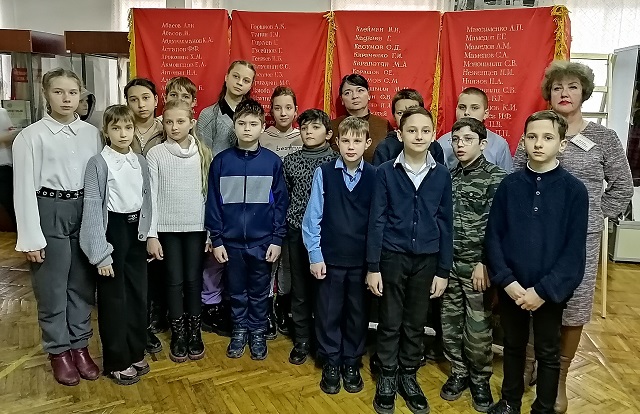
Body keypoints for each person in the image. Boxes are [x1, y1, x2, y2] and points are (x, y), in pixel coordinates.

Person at [512, 61, 633, 413]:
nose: (564, 93)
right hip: (535, 237)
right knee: (531, 298)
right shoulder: (536, 131)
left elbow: (622, 186)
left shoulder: (603, 138)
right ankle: (529, 365)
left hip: (580, 241)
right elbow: (516, 180)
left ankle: (560, 378)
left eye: (572, 87)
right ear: (548, 94)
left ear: (584, 93)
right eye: (557, 87)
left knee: (574, 306)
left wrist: (594, 217)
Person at [485, 110, 589, 414]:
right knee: (513, 345)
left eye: (547, 137)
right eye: (532, 137)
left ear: (562, 144)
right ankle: (510, 401)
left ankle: (543, 407)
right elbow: (494, 237)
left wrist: (544, 291)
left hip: (549, 291)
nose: (539, 143)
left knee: (547, 350)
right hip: (513, 287)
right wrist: (507, 281)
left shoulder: (574, 191)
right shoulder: (510, 185)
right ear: (523, 141)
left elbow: (573, 252)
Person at [13, 68, 102, 386]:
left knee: (81, 285)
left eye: (73, 92)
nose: (66, 99)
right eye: (58, 92)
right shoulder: (30, 136)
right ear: (45, 94)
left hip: (85, 208)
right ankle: (59, 351)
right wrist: (30, 237)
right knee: (52, 287)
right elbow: (23, 189)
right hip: (48, 209)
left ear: (81, 96)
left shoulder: (92, 134)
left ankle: (80, 345)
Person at [366, 106, 452, 414]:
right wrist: (373, 266)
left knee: (416, 322)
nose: (418, 136)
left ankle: (408, 375)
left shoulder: (441, 174)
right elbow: (377, 220)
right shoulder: (385, 172)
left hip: (427, 260)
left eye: (425, 130)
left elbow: (445, 222)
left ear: (433, 135)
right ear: (400, 134)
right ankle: (388, 375)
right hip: (392, 256)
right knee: (390, 320)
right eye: (412, 130)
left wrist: (443, 270)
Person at [206, 99, 288, 361]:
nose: (247, 128)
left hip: (262, 241)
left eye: (253, 124)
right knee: (236, 289)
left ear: (262, 127)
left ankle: (258, 331)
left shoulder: (272, 162)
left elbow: (280, 204)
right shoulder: (221, 162)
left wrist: (277, 239)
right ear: (234, 126)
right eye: (242, 123)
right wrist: (217, 239)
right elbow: (213, 203)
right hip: (230, 243)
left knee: (260, 290)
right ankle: (240, 329)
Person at [79, 105, 151, 385]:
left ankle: (135, 351)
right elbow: (92, 208)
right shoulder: (98, 163)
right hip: (112, 232)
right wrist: (100, 254)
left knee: (137, 295)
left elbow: (147, 200)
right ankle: (117, 360)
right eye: (116, 128)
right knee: (113, 299)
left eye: (128, 128)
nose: (123, 134)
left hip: (136, 232)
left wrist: (148, 235)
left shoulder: (140, 161)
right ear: (106, 131)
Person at [302, 116, 373, 394]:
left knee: (357, 313)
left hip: (361, 261)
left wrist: (374, 263)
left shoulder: (375, 175)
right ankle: (331, 360)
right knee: (328, 312)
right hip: (330, 259)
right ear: (337, 143)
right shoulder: (325, 172)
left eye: (357, 141)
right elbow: (312, 218)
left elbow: (377, 221)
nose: (351, 146)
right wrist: (315, 254)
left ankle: (351, 361)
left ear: (367, 143)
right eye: (345, 141)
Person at [440, 117, 506, 412]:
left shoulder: (496, 178)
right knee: (450, 324)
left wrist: (485, 262)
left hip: (477, 267)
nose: (460, 145)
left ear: (483, 143)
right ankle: (458, 372)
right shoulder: (448, 176)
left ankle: (480, 379)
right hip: (449, 265)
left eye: (468, 139)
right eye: (456, 140)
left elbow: (499, 227)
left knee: (478, 329)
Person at [146, 100, 212, 363]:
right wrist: (152, 234)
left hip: (196, 228)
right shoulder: (156, 154)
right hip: (167, 229)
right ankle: (178, 334)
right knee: (173, 281)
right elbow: (150, 196)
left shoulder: (204, 154)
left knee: (194, 280)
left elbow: (209, 196)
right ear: (162, 123)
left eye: (180, 121)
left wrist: (210, 233)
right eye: (169, 122)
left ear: (192, 123)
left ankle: (195, 332)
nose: (174, 127)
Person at [197, 60, 256, 338]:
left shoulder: (252, 113)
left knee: (239, 254)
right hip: (217, 190)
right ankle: (210, 305)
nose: (240, 83)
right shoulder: (208, 115)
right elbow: (202, 157)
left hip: (246, 196)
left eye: (246, 80)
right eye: (236, 77)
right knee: (214, 254)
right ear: (226, 77)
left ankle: (235, 305)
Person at [284, 108, 338, 364]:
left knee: (325, 290)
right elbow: (285, 196)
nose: (308, 132)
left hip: (327, 235)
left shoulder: (336, 161)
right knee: (300, 288)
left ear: (328, 134)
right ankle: (302, 339)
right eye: (304, 128)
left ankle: (323, 339)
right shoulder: (290, 161)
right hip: (297, 231)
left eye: (315, 127)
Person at [125, 77, 165, 353]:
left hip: (160, 209)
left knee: (157, 269)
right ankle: (136, 325)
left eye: (146, 98)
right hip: (127, 208)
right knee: (132, 271)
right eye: (133, 99)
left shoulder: (167, 128)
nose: (140, 104)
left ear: (156, 100)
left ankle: (153, 320)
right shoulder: (120, 129)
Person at [260, 86, 303, 338]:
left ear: (296, 111)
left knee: (288, 263)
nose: (283, 113)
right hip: (268, 213)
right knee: (269, 262)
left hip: (295, 213)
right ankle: (266, 309)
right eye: (277, 108)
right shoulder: (262, 137)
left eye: (288, 108)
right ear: (271, 111)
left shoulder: (303, 137)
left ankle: (283, 307)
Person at [437, 87, 513, 172]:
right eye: (462, 107)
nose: (467, 112)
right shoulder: (442, 143)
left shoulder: (499, 144)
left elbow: (507, 177)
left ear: (485, 113)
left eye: (474, 108)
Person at [373, 88, 444, 166]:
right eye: (400, 113)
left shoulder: (434, 147)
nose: (405, 116)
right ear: (394, 116)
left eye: (412, 111)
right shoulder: (385, 147)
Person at [331, 74, 392, 163]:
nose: (355, 96)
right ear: (342, 100)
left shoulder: (384, 125)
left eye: (360, 90)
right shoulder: (333, 126)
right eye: (348, 93)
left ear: (369, 95)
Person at [0, 108, 19, 229]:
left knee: (10, 203)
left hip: (3, 167)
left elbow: (11, 134)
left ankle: (18, 231)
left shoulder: (2, 112)